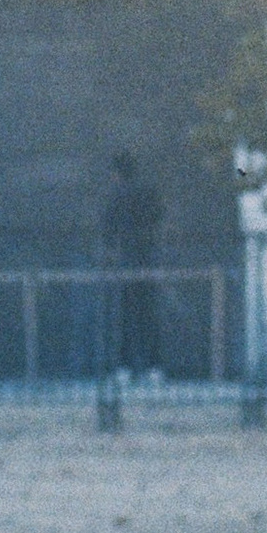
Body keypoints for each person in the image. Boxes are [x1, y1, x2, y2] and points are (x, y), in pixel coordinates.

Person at [100, 149, 165, 377]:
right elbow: (158, 216)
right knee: (148, 315)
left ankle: (125, 367)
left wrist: (109, 251)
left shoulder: (117, 196)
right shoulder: (148, 193)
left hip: (128, 262)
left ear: (117, 173)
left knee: (127, 316)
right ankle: (154, 366)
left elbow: (108, 227)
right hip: (147, 259)